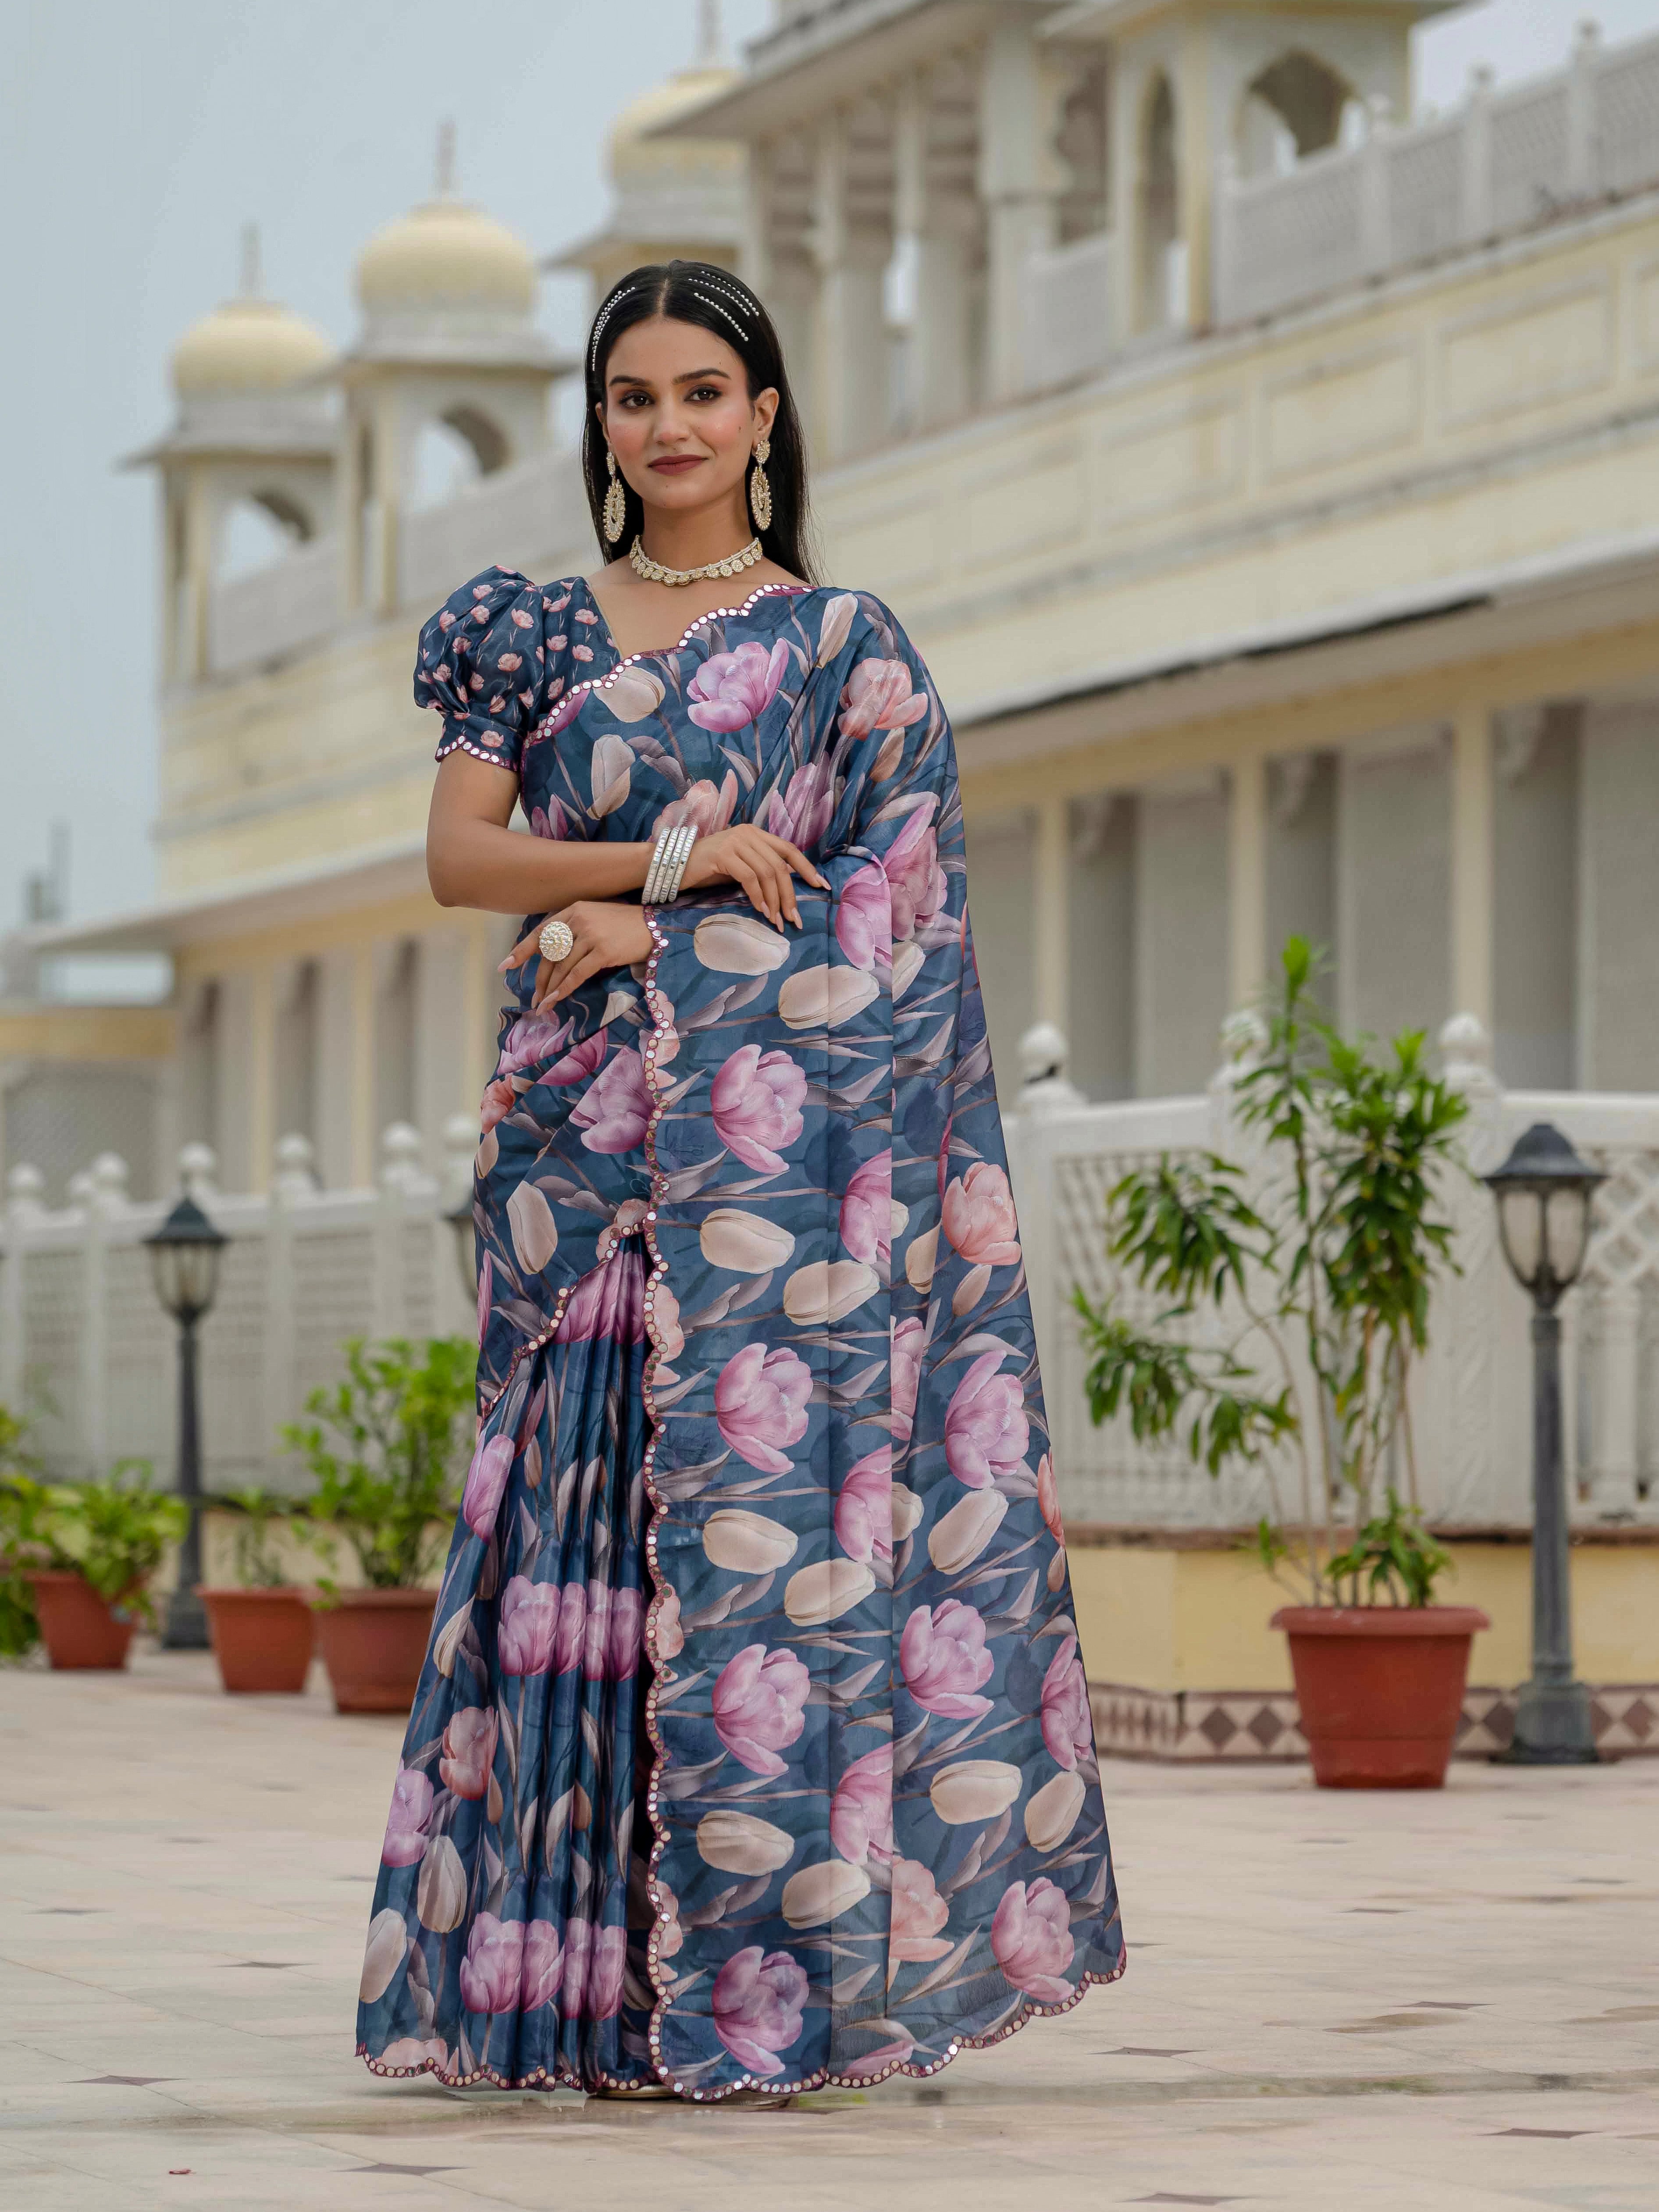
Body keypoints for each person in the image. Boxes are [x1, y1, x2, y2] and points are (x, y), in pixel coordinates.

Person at [356, 259, 1125, 2104]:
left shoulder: (852, 648)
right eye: (634, 396)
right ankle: (563, 1996)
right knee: (572, 1531)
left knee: (759, 1560)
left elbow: (894, 914)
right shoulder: (525, 631)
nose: (670, 426)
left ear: (766, 413)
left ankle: (757, 1993)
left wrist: (630, 918)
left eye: (705, 390)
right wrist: (678, 860)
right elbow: (466, 862)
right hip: (578, 1162)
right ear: (602, 422)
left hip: (778, 1205)